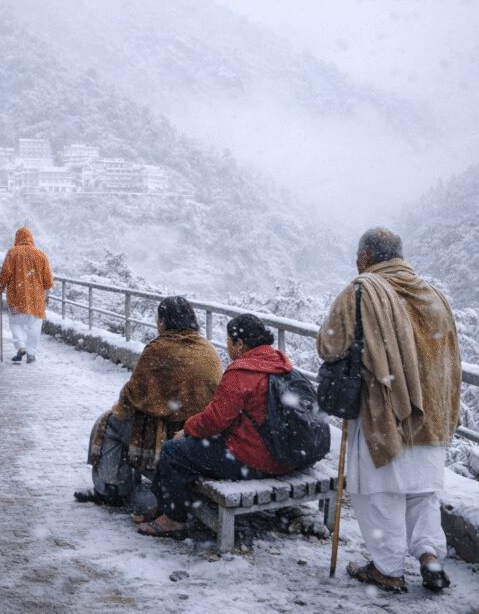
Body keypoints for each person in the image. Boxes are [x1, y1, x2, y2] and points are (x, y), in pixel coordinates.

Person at [317, 228, 461, 593]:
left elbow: (329, 346)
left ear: (365, 257)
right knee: (423, 493)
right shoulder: (433, 296)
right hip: (431, 414)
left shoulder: (362, 290)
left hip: (384, 412)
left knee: (380, 492)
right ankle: (429, 555)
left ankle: (388, 569)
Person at [138, 314, 294, 539]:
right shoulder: (280, 363)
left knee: (174, 451)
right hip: (283, 456)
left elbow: (215, 419)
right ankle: (169, 505)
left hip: (254, 460)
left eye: (229, 342)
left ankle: (173, 518)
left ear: (239, 344)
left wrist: (188, 429)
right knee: (191, 449)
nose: (228, 347)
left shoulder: (241, 372)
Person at [74, 296, 222, 508]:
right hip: (200, 432)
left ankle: (111, 489)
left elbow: (133, 396)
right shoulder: (206, 348)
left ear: (163, 321)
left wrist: (120, 410)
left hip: (167, 434)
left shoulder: (159, 349)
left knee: (108, 424)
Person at [0, 227, 53, 364]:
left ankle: (20, 347)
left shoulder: (12, 253)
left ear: (17, 238)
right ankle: (31, 354)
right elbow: (48, 281)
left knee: (16, 323)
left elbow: (5, 274)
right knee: (34, 326)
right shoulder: (40, 254)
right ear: (31, 238)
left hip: (17, 298)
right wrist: (44, 292)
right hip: (36, 300)